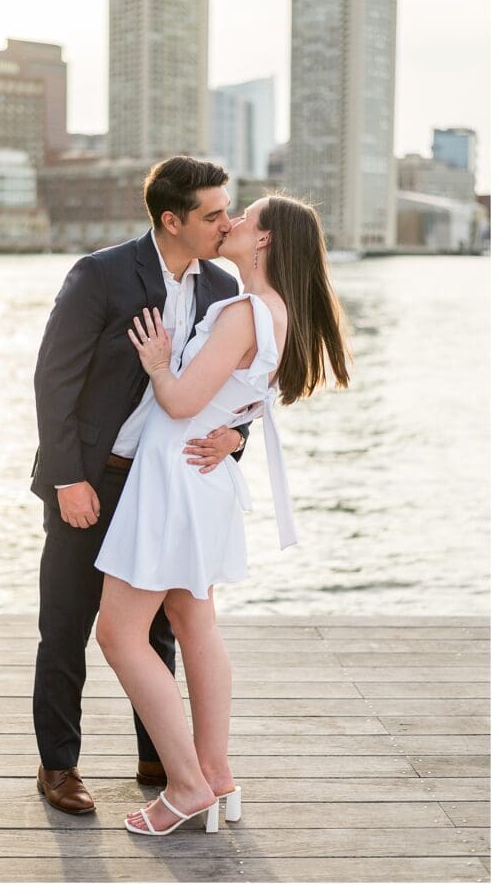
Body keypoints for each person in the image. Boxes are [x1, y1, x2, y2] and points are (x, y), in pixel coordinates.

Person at [95, 193, 351, 835]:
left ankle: (185, 786)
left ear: (263, 241)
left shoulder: (241, 312)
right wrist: (233, 434)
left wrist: (157, 363)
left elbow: (180, 401)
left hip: (173, 478)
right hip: (201, 479)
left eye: (245, 217)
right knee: (193, 619)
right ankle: (215, 775)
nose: (231, 222)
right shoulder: (277, 312)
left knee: (119, 634)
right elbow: (246, 402)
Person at [30, 156, 252, 814]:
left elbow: (239, 389)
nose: (225, 223)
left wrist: (236, 442)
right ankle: (59, 766)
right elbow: (54, 381)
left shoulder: (222, 288)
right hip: (94, 479)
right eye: (212, 214)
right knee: (67, 623)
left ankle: (159, 755)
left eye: (226, 210)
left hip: (168, 484)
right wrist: (69, 478)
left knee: (156, 628)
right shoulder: (99, 275)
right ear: (170, 220)